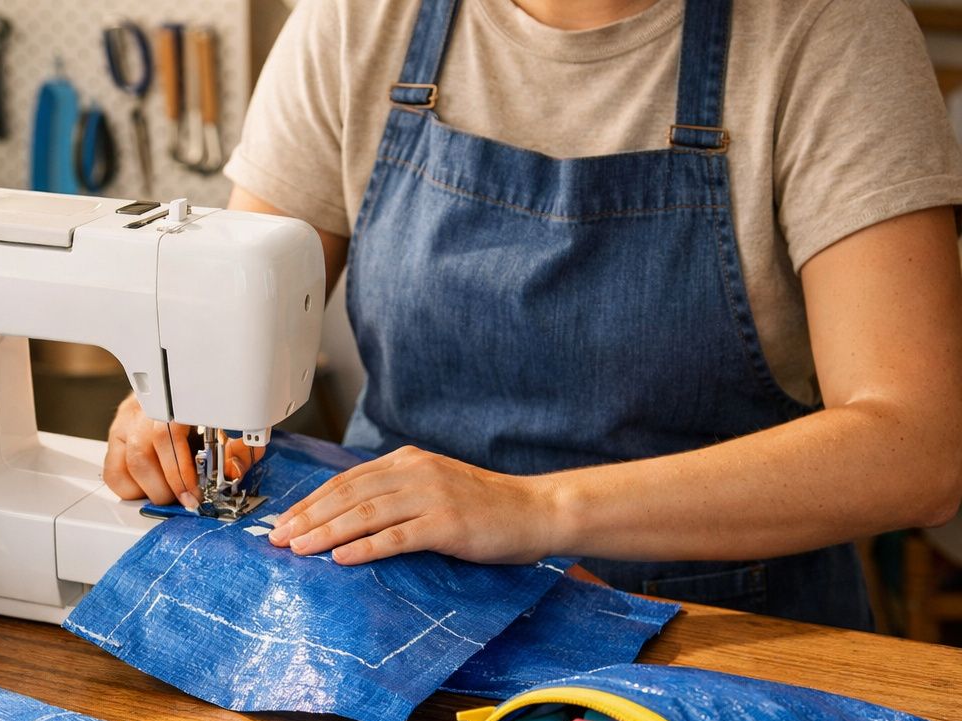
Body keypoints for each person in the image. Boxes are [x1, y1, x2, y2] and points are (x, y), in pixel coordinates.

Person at [102, 0, 962, 630]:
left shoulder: (827, 30)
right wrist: (181, 393)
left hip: (722, 638)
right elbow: (229, 323)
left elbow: (917, 447)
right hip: (385, 603)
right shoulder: (359, 18)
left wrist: (536, 512)